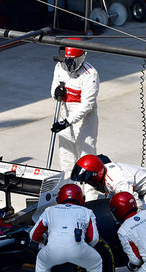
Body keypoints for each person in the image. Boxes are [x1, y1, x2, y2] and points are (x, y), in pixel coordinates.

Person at [28, 183, 104, 272]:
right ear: (81, 198)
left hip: (53, 250)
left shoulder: (49, 211)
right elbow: (93, 239)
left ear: (60, 198)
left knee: (41, 262)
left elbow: (33, 235)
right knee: (96, 264)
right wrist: (83, 250)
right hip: (78, 248)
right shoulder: (87, 212)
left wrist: (44, 240)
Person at [72, 154, 146, 218]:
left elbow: (134, 203)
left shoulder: (117, 182)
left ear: (95, 175)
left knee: (140, 218)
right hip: (138, 188)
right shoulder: (105, 171)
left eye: (87, 179)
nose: (87, 182)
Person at [50, 38, 99, 176]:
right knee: (66, 158)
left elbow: (87, 105)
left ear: (82, 57)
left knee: (86, 161)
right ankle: (70, 192)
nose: (69, 66)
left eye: (73, 62)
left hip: (84, 122)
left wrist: (67, 122)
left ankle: (90, 196)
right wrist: (55, 93)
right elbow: (53, 88)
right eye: (67, 61)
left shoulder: (90, 74)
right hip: (64, 116)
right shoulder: (60, 67)